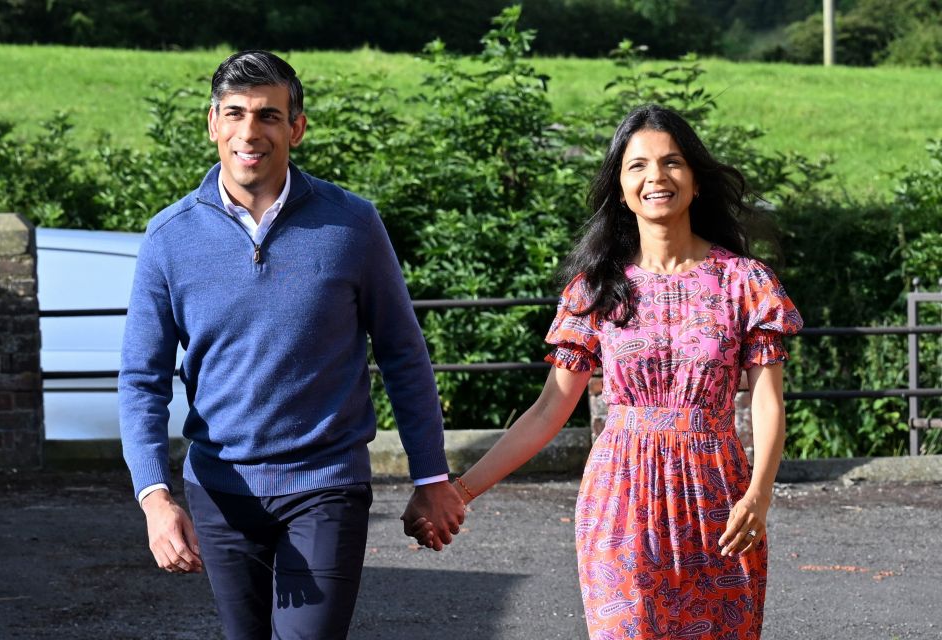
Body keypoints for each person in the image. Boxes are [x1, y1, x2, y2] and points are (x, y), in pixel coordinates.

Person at [408, 104, 803, 638]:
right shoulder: (595, 290)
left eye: (672, 163)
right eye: (637, 166)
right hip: (621, 501)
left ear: (696, 181)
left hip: (721, 500)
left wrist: (759, 494)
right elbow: (550, 408)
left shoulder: (745, 283)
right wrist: (461, 490)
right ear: (620, 189)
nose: (656, 177)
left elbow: (767, 401)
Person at [119, 50, 465, 640]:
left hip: (326, 483)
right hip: (220, 492)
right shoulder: (168, 238)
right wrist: (154, 497)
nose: (249, 132)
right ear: (213, 124)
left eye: (268, 116)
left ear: (296, 128)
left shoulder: (352, 225)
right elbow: (142, 378)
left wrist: (430, 476)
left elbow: (404, 353)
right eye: (235, 114)